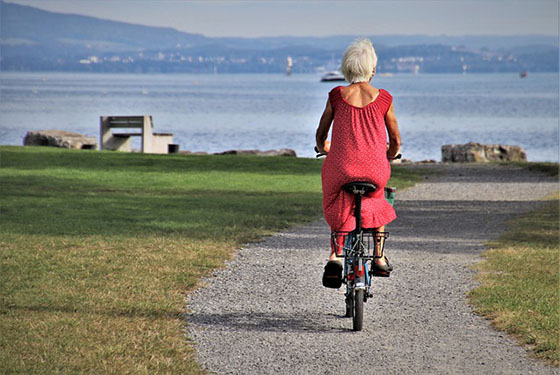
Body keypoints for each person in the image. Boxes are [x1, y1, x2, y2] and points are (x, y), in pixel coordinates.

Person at [315, 38, 402, 288]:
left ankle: (336, 257)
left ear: (346, 68)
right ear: (372, 69)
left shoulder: (336, 96)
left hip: (341, 167)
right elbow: (395, 139)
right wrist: (391, 153)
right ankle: (379, 256)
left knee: (338, 197)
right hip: (374, 169)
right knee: (377, 198)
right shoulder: (384, 98)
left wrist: (324, 148)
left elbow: (321, 135)